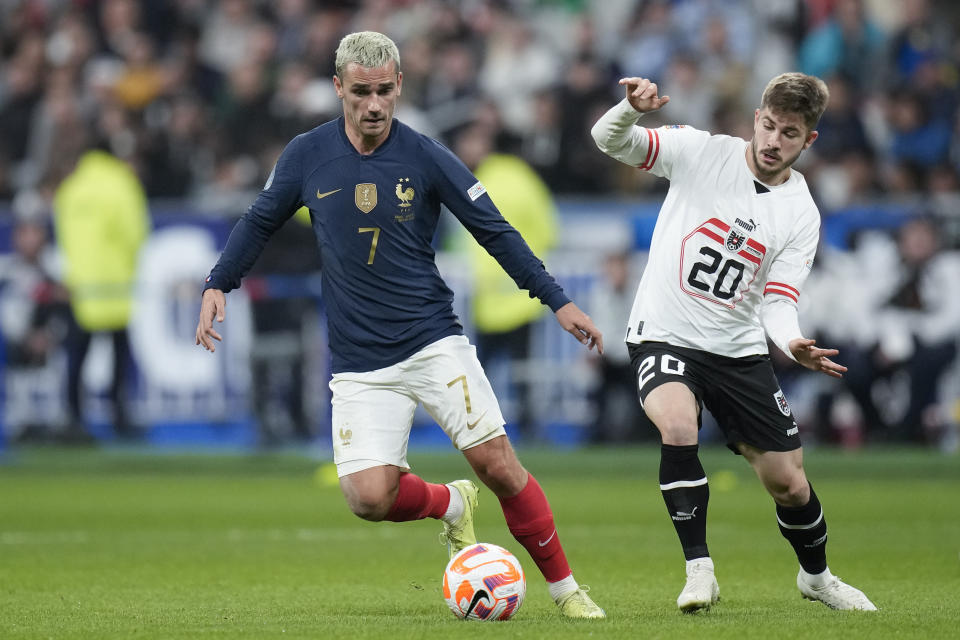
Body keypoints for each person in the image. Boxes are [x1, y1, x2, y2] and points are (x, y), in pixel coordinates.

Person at [196, 31, 605, 619]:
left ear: (399, 86)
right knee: (367, 499)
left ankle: (568, 591)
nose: (374, 104)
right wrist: (219, 281)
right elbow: (259, 221)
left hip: (431, 339)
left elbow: (495, 231)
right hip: (360, 361)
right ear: (339, 88)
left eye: (384, 90)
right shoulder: (307, 156)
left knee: (499, 466)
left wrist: (557, 300)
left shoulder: (426, 155)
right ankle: (451, 505)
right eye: (361, 91)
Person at [591, 72, 877, 612]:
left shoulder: (800, 213)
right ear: (755, 118)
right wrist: (629, 110)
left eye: (789, 133)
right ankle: (699, 570)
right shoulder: (700, 151)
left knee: (789, 483)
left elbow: (778, 298)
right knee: (677, 424)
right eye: (768, 125)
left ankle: (816, 577)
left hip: (738, 348)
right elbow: (609, 141)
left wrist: (791, 343)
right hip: (664, 332)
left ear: (808, 140)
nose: (773, 141)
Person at [54, 142, 150, 441]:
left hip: (81, 283)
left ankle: (73, 416)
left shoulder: (70, 188)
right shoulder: (123, 184)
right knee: (119, 351)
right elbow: (136, 232)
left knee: (77, 353)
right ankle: (119, 415)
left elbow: (63, 236)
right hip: (115, 283)